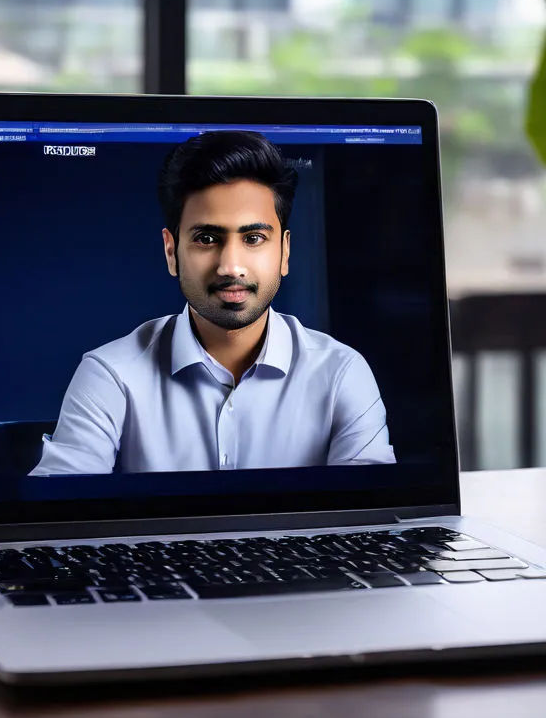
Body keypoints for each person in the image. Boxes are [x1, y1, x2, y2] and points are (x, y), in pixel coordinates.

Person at [30, 130, 395, 475]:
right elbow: (53, 519)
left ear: (284, 252)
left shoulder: (341, 372)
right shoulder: (111, 375)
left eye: (253, 238)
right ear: (171, 252)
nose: (230, 266)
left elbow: (372, 518)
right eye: (206, 238)